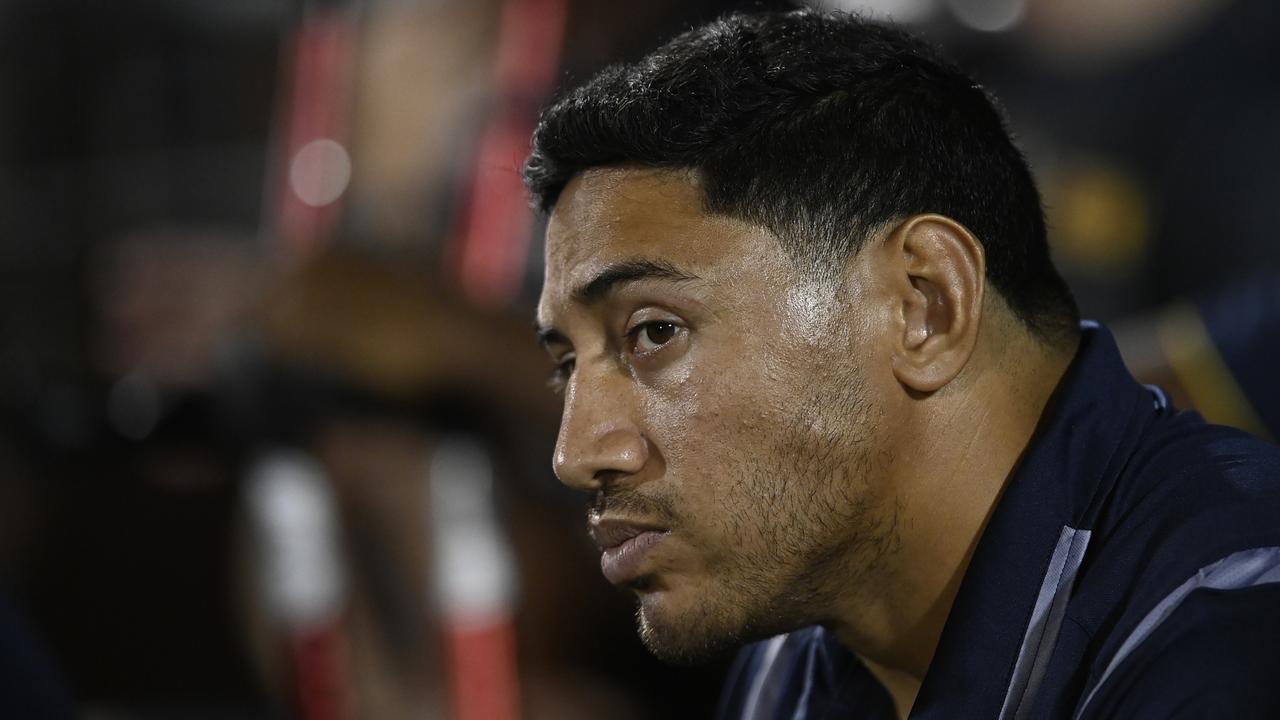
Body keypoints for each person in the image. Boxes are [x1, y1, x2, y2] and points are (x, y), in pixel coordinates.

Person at [525, 8, 1280, 720]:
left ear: (926, 304)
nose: (576, 453)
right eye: (567, 368)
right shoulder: (790, 658)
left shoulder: (1234, 617)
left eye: (654, 332)